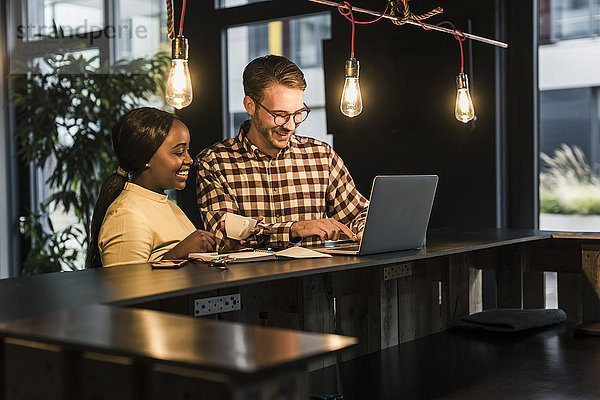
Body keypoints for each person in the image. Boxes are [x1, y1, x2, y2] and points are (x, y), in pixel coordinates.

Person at [196, 55, 368, 250]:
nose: (290, 125)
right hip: (250, 279)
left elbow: (359, 213)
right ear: (250, 105)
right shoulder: (215, 162)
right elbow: (224, 238)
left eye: (298, 114)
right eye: (280, 115)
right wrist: (296, 229)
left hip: (316, 279)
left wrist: (364, 230)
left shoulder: (322, 156)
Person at [86, 107, 215, 268]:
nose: (189, 160)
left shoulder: (166, 205)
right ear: (146, 157)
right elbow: (126, 288)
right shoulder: (126, 215)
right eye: (179, 152)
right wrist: (176, 254)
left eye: (187, 151)